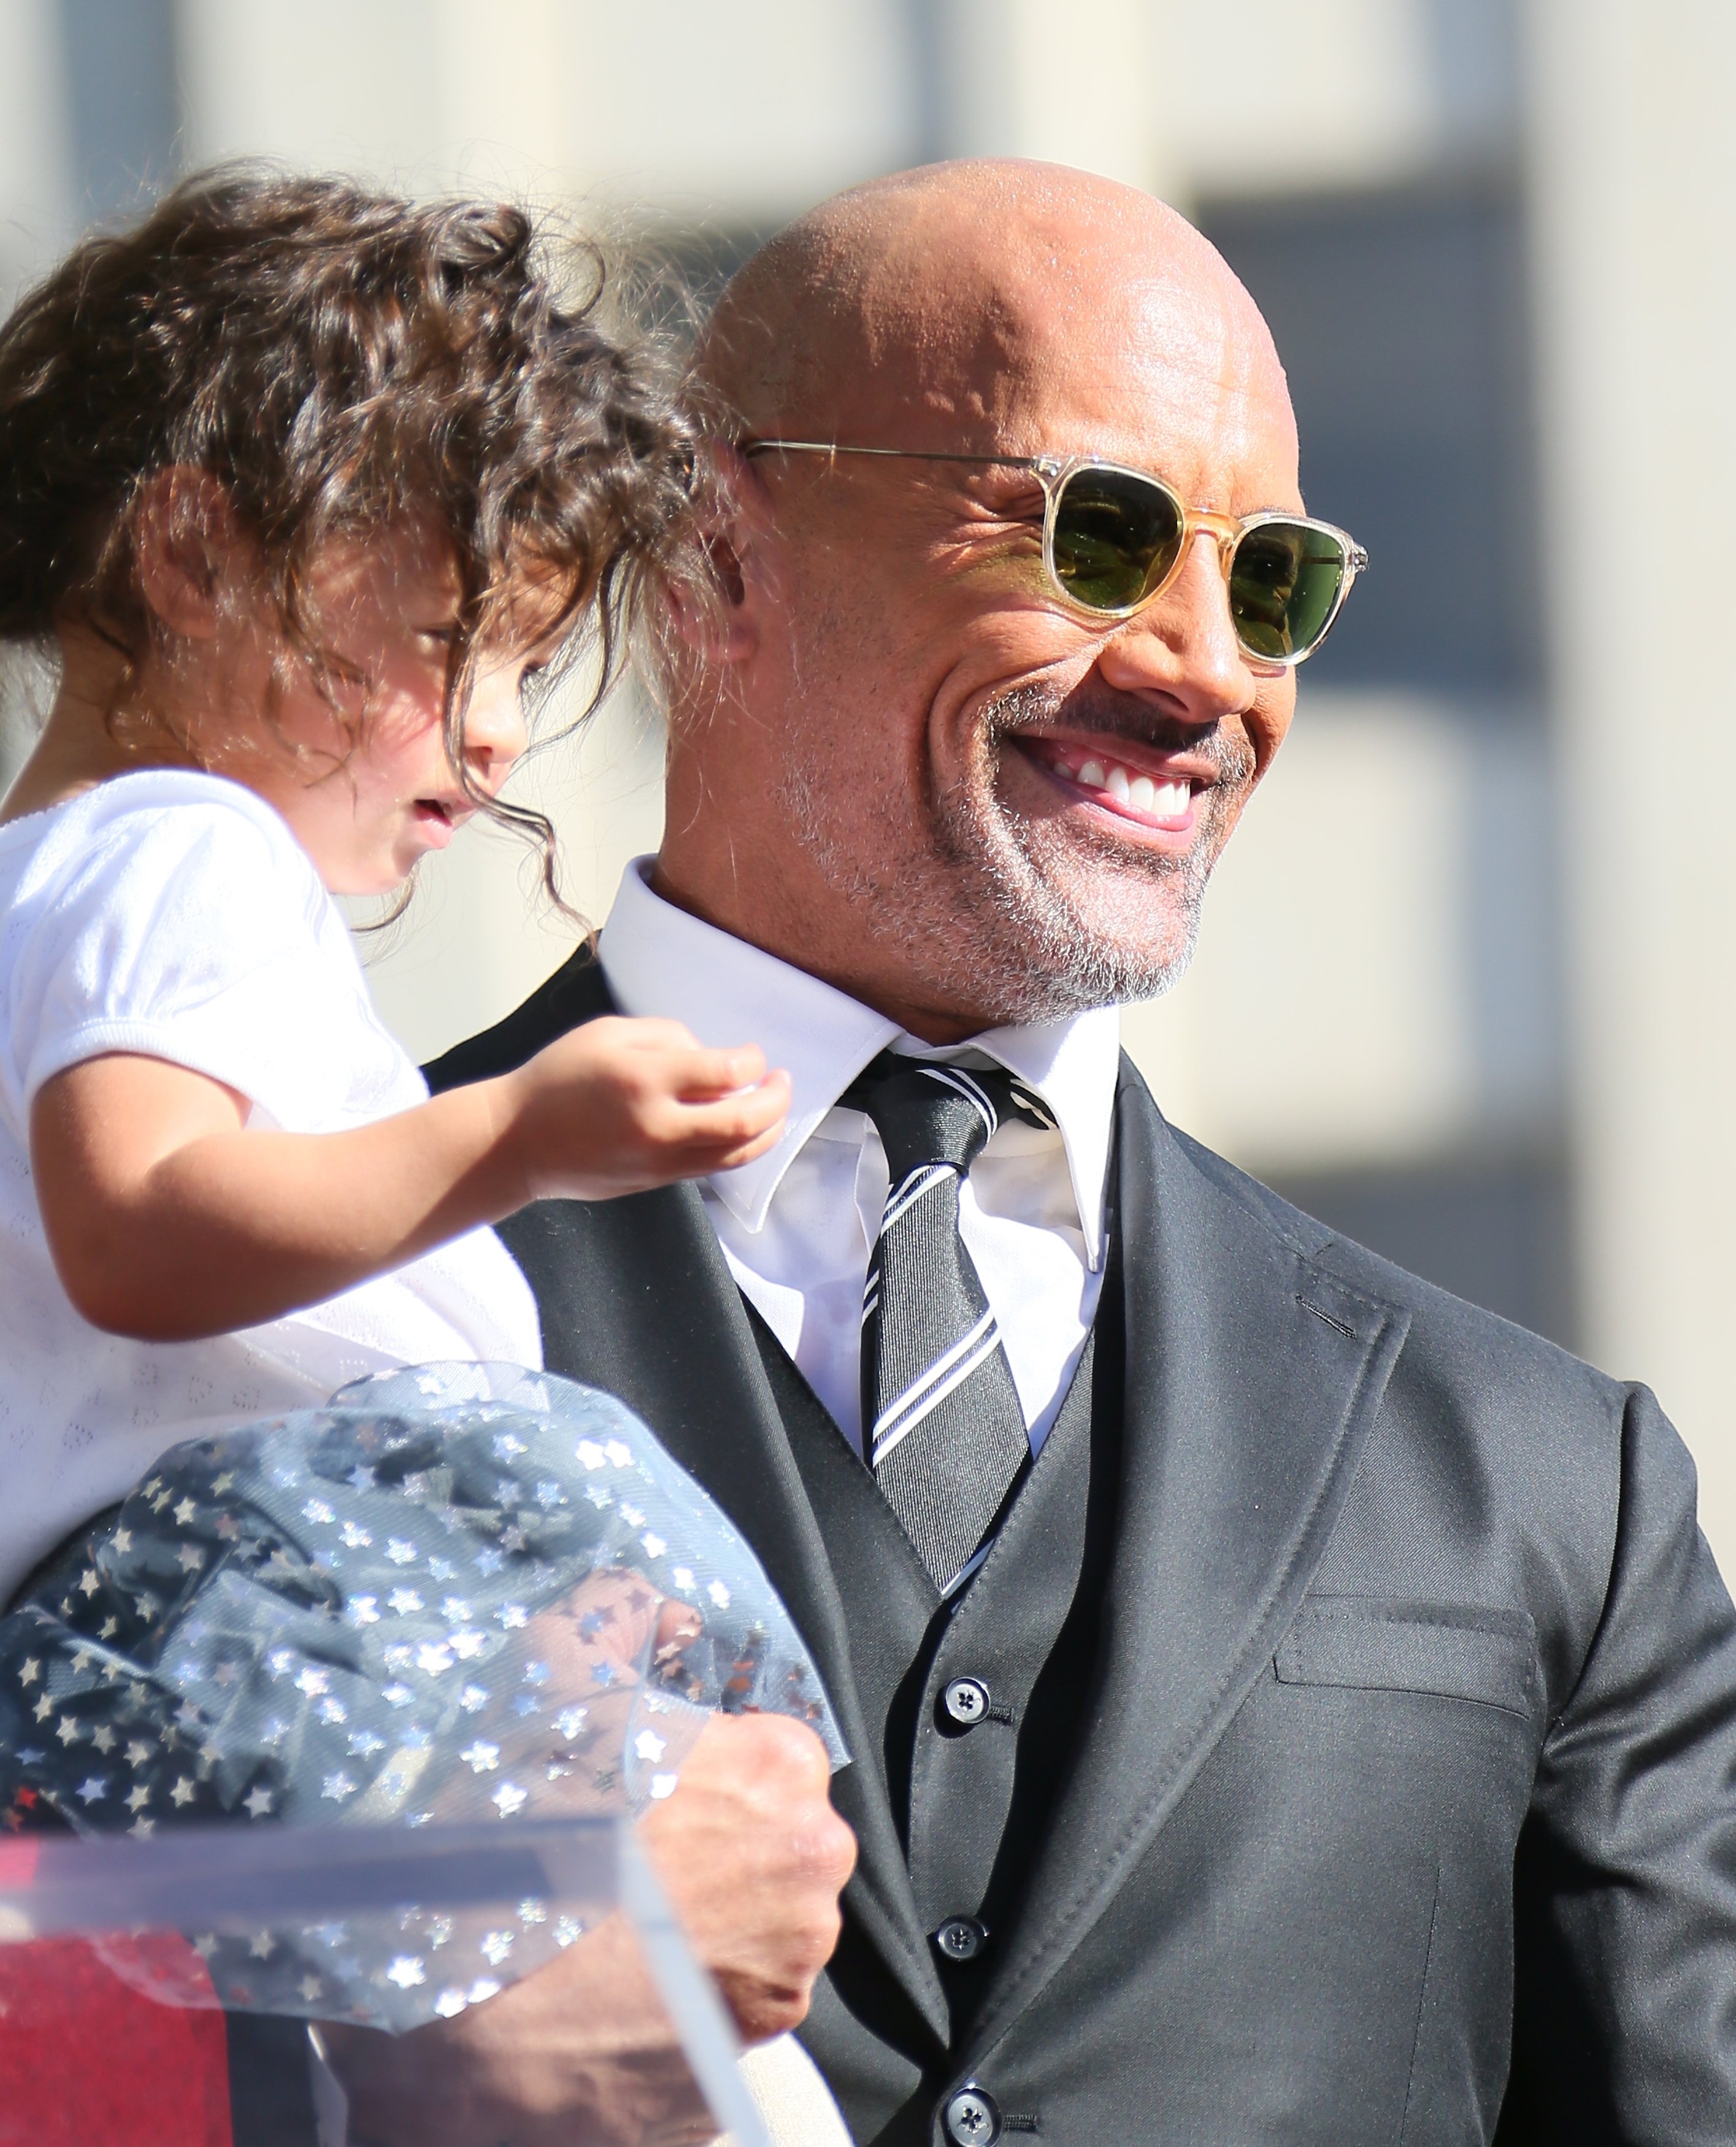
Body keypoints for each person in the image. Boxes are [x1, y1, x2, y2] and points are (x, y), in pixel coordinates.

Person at [420, 158, 1736, 2145]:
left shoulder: (1554, 1489)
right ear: (710, 547)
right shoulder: (273, 1280)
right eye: (1103, 537)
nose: (1210, 667)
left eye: (1271, 580)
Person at [0, 171, 856, 2139]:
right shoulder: (176, 846)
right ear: (198, 551)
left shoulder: (63, 888)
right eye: (448, 642)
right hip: (290, 1651)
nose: (487, 742)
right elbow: (138, 1226)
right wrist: (516, 1133)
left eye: (523, 673)